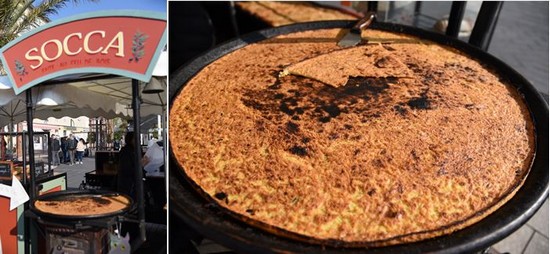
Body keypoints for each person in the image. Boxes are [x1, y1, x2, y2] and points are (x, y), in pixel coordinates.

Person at [117, 132, 141, 202]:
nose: (138, 141)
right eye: (135, 139)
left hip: (133, 181)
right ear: (130, 140)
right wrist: (141, 165)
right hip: (128, 182)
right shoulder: (126, 151)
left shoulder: (137, 149)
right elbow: (126, 168)